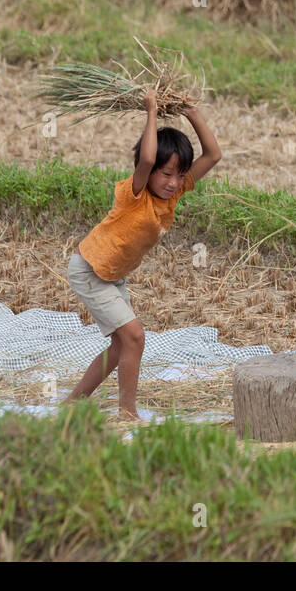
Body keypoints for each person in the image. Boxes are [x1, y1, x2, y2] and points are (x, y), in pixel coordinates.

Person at [65, 91, 221, 418]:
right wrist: (151, 110)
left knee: (122, 345)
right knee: (135, 337)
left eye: (180, 175)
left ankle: (75, 401)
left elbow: (214, 154)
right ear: (148, 173)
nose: (173, 182)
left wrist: (191, 111)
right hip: (90, 269)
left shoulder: (173, 192)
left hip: (111, 275)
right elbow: (147, 158)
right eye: (166, 174)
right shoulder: (133, 193)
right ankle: (127, 413)